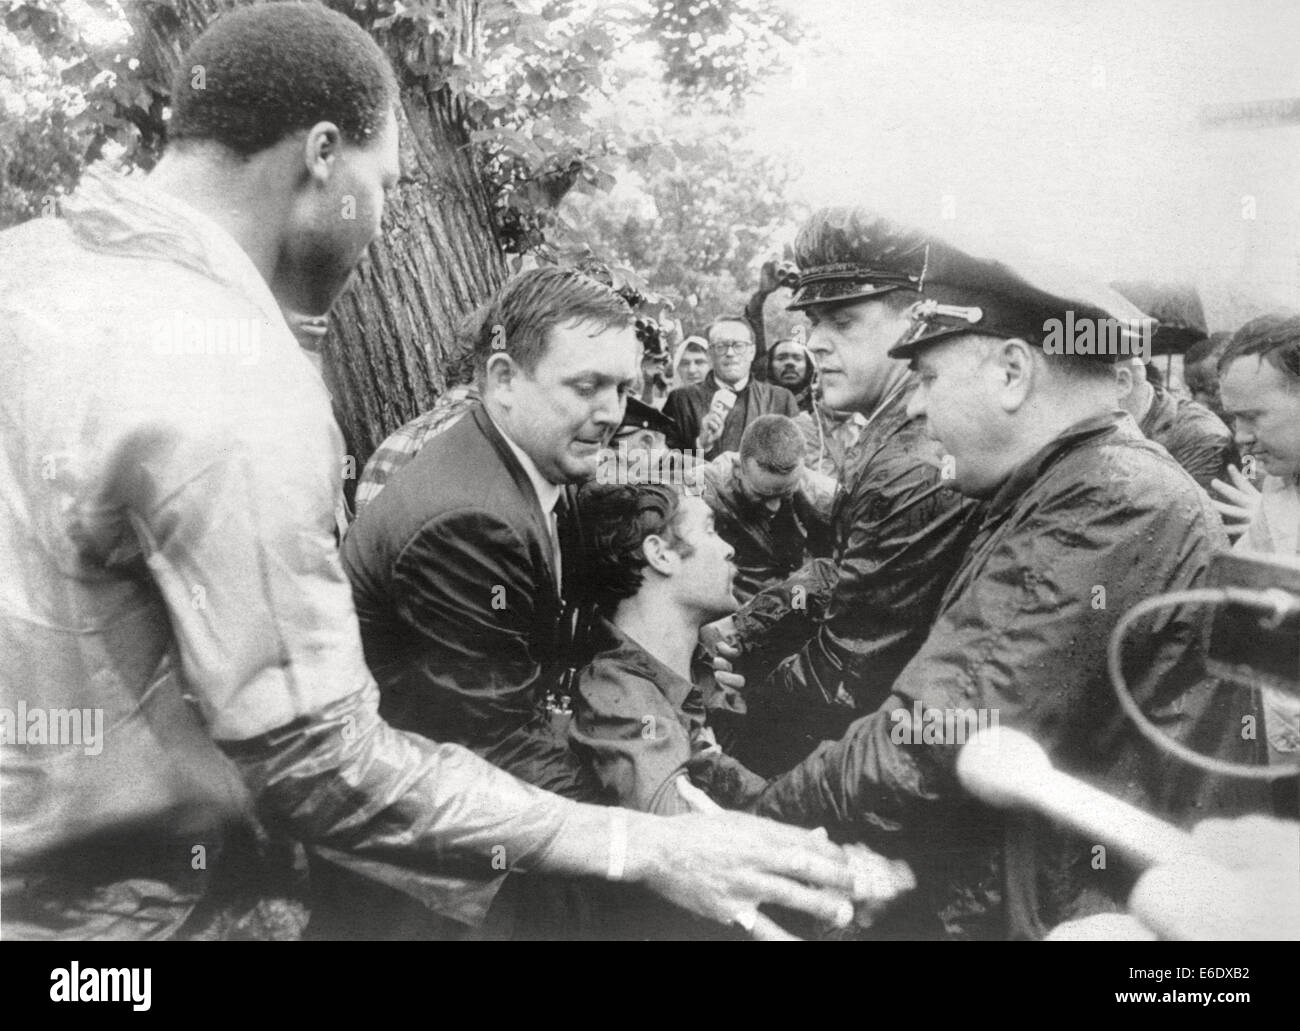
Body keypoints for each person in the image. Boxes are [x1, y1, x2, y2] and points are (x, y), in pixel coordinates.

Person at [0, 4, 869, 941]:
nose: (377, 228)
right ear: (323, 155)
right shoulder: (237, 373)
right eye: (385, 185)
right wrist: (643, 844)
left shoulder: (25, 271)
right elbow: (319, 763)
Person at [745, 236, 1267, 939]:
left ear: (1014, 372)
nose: (917, 410)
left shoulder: (1108, 500)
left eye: (927, 378)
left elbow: (929, 741)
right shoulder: (1081, 482)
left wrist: (749, 830)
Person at [702, 209, 984, 774]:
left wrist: (736, 704)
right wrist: (756, 622)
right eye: (814, 324)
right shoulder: (892, 431)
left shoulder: (910, 457)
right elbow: (845, 573)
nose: (815, 346)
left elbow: (851, 668)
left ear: (915, 322)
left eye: (844, 322)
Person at [569, 481, 768, 814]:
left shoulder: (703, 671)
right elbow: (678, 832)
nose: (728, 549)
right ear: (660, 555)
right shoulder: (618, 694)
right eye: (709, 531)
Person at [1216, 313, 1300, 769]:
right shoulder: (1278, 487)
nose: (1240, 437)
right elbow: (1232, 611)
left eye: (1253, 417)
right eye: (1234, 418)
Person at [701, 415, 827, 602]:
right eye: (762, 495)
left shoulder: (822, 496)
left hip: (791, 603)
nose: (773, 507)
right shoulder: (705, 486)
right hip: (727, 609)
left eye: (785, 493)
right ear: (737, 469)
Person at [662, 316, 800, 460]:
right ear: (709, 354)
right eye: (721, 346)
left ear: (752, 352)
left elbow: (797, 459)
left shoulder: (780, 399)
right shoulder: (681, 400)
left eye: (739, 346)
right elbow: (664, 464)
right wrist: (701, 444)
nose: (730, 353)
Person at [1116, 357, 1235, 491]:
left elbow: (1193, 509)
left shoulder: (1199, 436)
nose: (1199, 399)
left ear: (1122, 381)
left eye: (1211, 389)